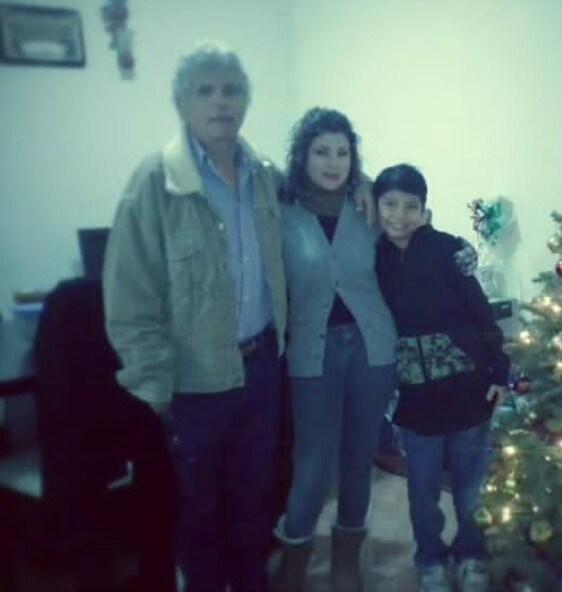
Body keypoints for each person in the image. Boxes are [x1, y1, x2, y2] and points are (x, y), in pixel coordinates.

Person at [103, 41, 287, 592]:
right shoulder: (153, 183)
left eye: (231, 90)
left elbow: (324, 194)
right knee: (199, 513)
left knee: (255, 499)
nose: (220, 102)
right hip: (192, 383)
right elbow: (129, 296)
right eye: (205, 91)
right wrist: (154, 384)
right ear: (182, 104)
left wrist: (368, 189)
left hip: (261, 369)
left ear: (246, 101)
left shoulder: (265, 174)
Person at [273, 107, 398, 592]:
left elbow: (407, 226)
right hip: (311, 352)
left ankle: (347, 556)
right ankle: (294, 557)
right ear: (302, 156)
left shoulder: (368, 208)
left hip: (371, 348)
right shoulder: (281, 211)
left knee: (359, 457)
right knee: (313, 464)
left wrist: (366, 182)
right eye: (322, 152)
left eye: (343, 153)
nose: (333, 162)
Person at [373, 163, 509, 592]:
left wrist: (499, 369)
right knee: (422, 491)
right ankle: (429, 557)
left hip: (468, 393)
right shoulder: (371, 259)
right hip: (415, 402)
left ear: (424, 209)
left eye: (410, 206)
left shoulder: (449, 251)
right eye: (390, 204)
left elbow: (481, 312)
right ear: (375, 206)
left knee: (470, 490)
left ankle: (472, 553)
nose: (399, 215)